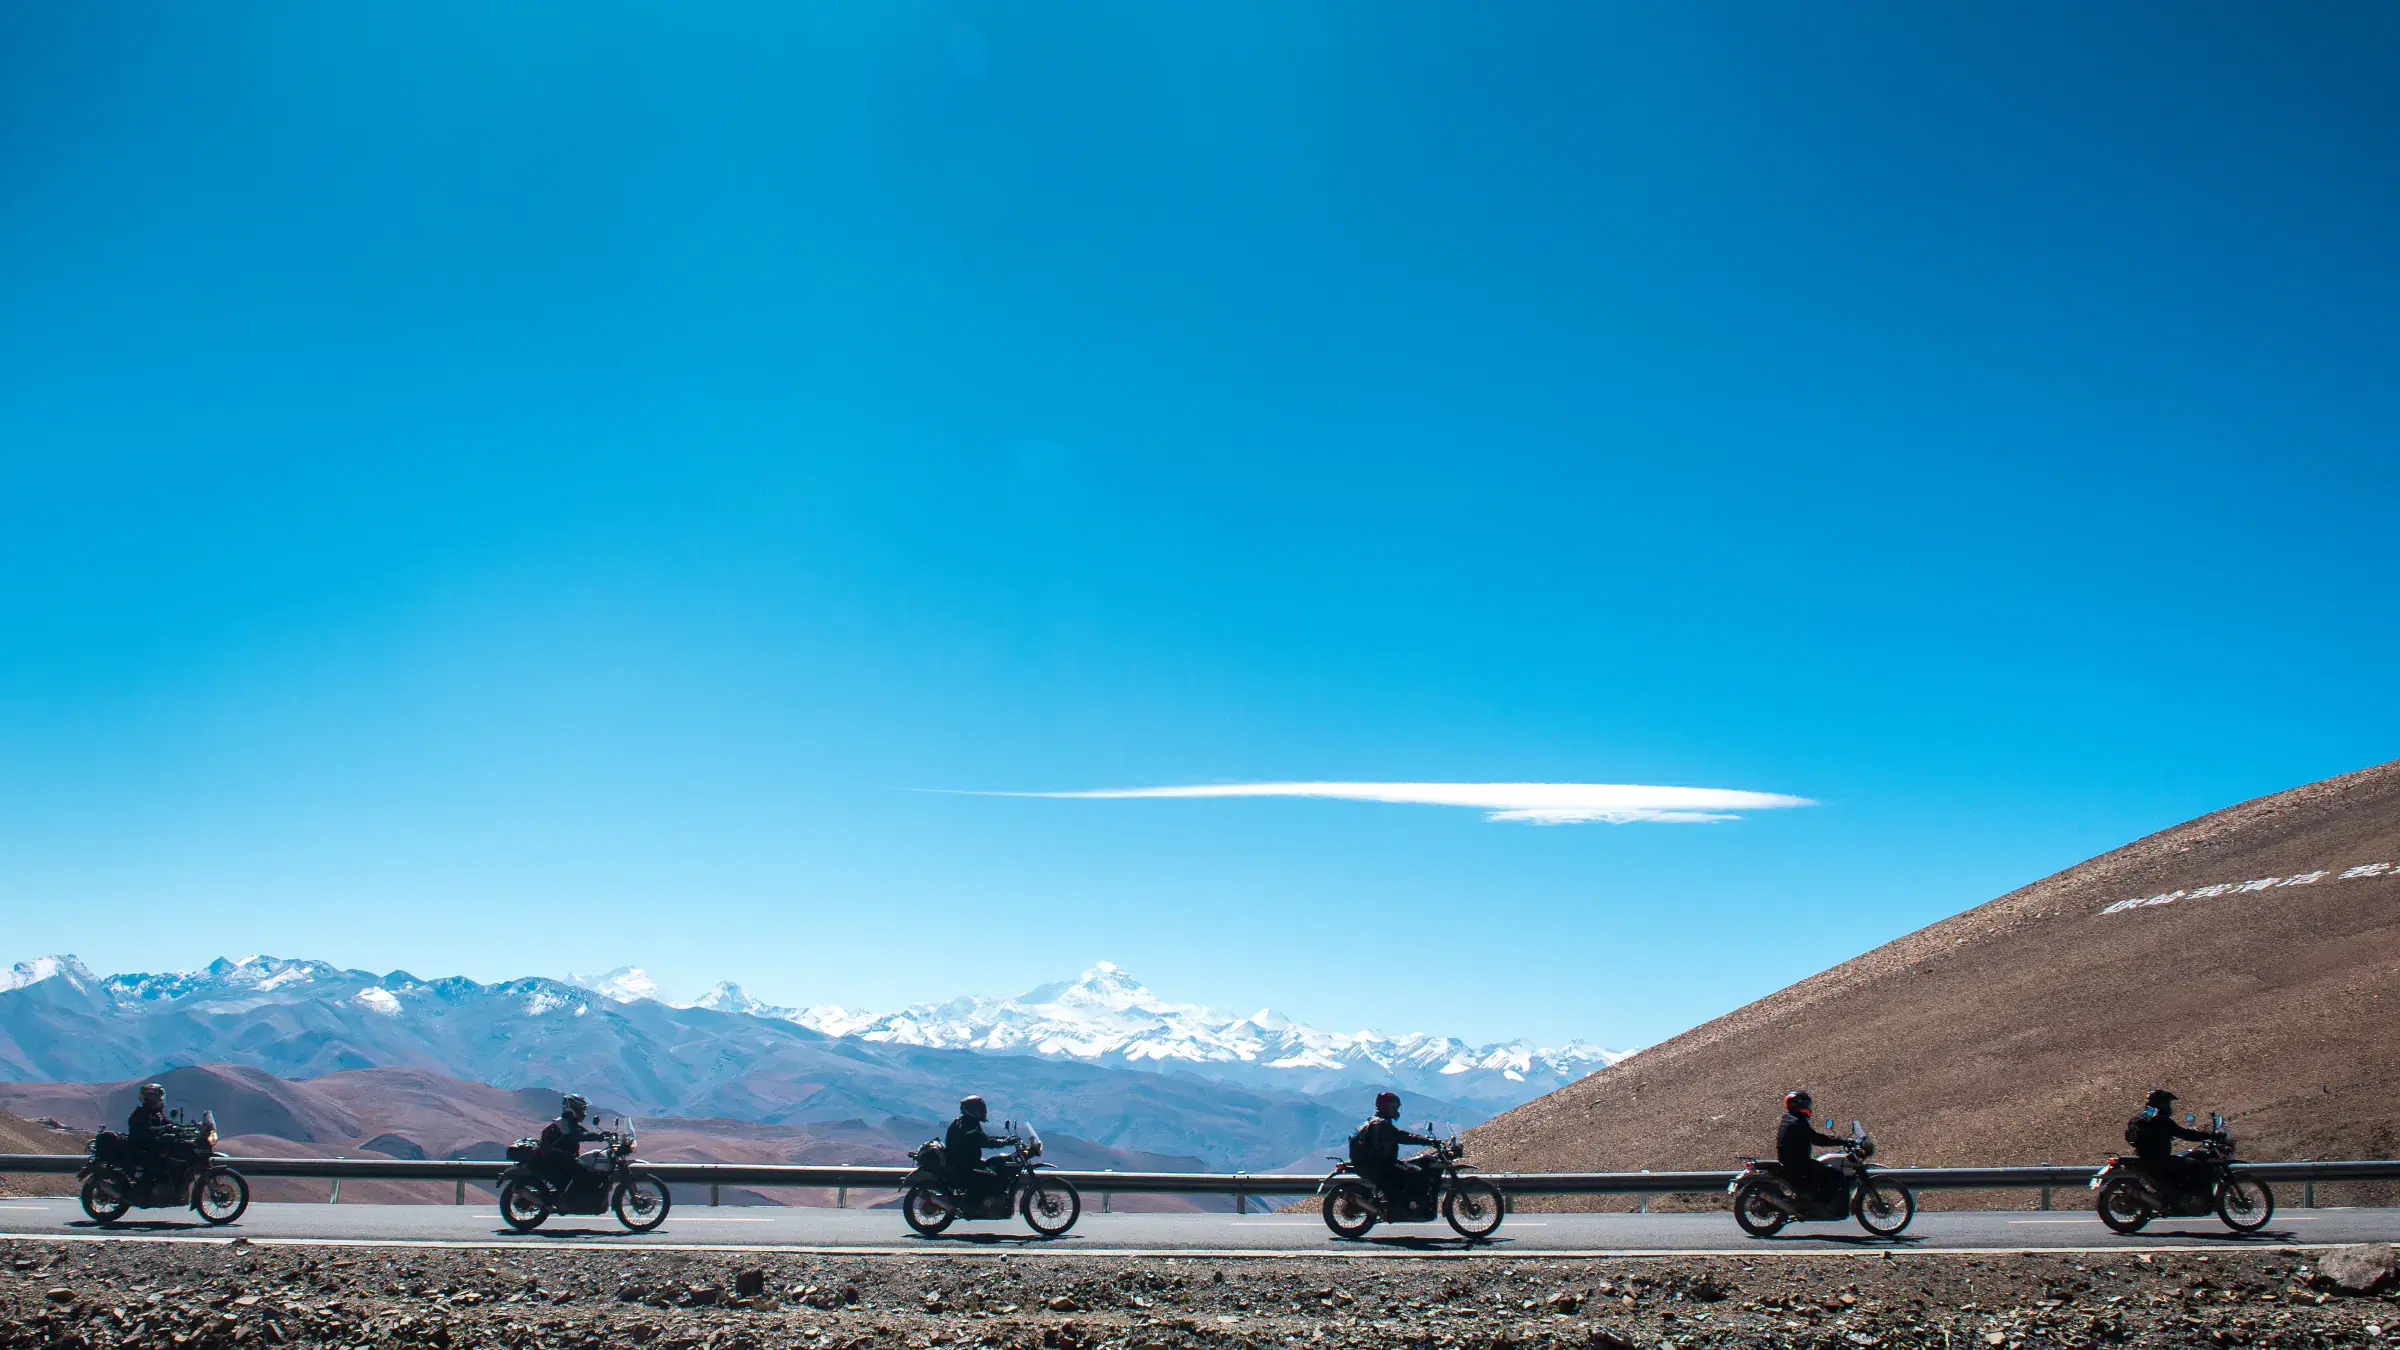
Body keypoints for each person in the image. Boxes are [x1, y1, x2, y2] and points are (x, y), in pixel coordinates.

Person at [1350, 1091, 1439, 1211]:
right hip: (1380, 1165)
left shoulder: (1377, 1121)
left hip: (1376, 1163)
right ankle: (1406, 1208)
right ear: (1386, 1107)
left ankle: (1402, 1204)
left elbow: (1398, 1135)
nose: (1396, 1111)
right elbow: (1401, 1136)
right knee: (1417, 1173)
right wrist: (1427, 1140)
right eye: (1394, 1107)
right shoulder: (1380, 1124)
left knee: (1408, 1170)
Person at [2126, 1089, 2219, 1197]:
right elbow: (2184, 1134)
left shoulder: (2138, 1118)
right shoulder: (2160, 1120)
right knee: (2196, 1165)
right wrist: (2210, 1136)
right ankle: (2203, 1198)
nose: (2169, 1106)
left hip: (2143, 1158)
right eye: (2168, 1103)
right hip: (2160, 1160)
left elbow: (2131, 1139)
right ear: (2162, 1103)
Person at [1776, 1091, 1851, 1205]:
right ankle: (1821, 1204)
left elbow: (1813, 1137)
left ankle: (1814, 1201)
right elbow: (1817, 1139)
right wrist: (1841, 1141)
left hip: (1791, 1161)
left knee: (1822, 1172)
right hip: (1798, 1163)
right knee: (1834, 1174)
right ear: (1802, 1105)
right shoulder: (1797, 1122)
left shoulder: (1788, 1118)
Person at [944, 1096, 1016, 1205]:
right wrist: (1004, 1143)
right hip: (963, 1167)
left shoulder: (967, 1122)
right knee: (992, 1178)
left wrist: (1004, 1139)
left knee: (994, 1164)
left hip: (966, 1162)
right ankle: (973, 1206)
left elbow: (983, 1137)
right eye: (981, 1109)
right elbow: (984, 1141)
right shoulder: (968, 1125)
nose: (984, 1112)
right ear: (973, 1110)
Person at [537, 1094, 604, 1187]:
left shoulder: (571, 1122)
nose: (583, 1111)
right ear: (572, 1108)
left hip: (565, 1157)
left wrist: (603, 1134)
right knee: (585, 1174)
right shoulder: (562, 1122)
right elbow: (575, 1136)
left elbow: (583, 1133)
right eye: (581, 1108)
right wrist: (597, 1137)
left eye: (583, 1109)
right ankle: (573, 1199)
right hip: (557, 1159)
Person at [126, 1082, 187, 1183]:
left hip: (153, 1146)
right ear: (151, 1097)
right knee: (157, 1165)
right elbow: (142, 1131)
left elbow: (166, 1122)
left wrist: (181, 1127)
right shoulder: (141, 1111)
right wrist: (159, 1129)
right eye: (159, 1096)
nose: (161, 1099)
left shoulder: (156, 1111)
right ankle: (143, 1189)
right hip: (141, 1149)